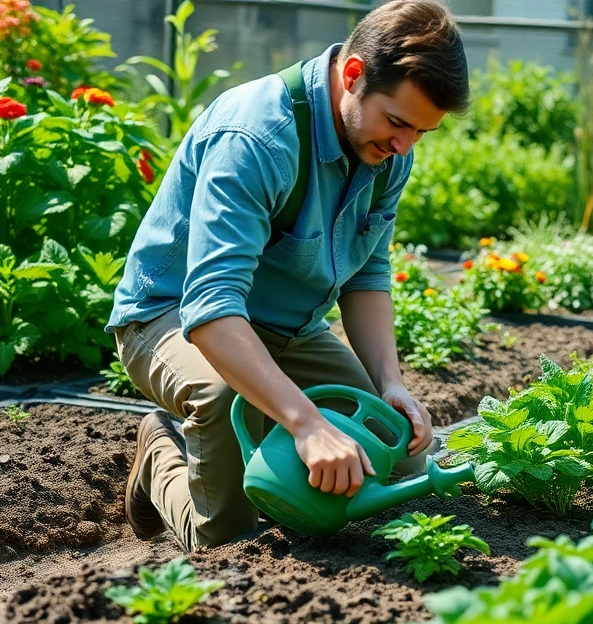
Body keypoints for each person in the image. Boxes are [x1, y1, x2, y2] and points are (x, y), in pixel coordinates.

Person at [105, 0, 470, 550]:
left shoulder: (388, 151)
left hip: (286, 329)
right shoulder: (257, 137)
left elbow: (367, 269)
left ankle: (262, 460)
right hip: (172, 317)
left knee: (399, 458)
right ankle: (163, 456)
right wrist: (305, 423)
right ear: (353, 75)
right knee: (228, 515)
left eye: (422, 132)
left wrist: (390, 384)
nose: (404, 146)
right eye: (398, 123)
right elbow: (211, 306)